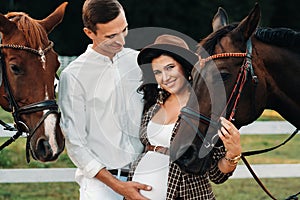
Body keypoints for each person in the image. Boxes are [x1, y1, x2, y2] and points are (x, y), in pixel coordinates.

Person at [128, 34, 242, 199]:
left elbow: (217, 174)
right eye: (158, 72)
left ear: (184, 66)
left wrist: (233, 153)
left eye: (170, 67)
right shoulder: (153, 107)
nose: (165, 78)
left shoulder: (205, 109)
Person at [58, 0, 151, 199]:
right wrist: (118, 186)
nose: (122, 41)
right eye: (111, 36)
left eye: (124, 30)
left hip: (146, 178)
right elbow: (75, 142)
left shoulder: (139, 62)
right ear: (89, 33)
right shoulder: (73, 76)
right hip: (100, 186)